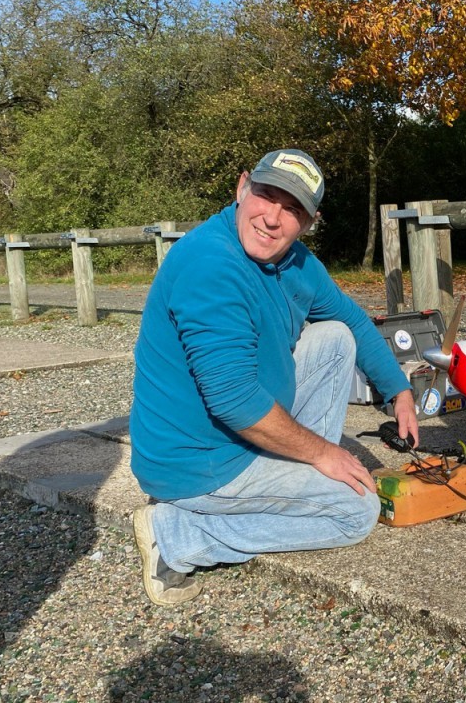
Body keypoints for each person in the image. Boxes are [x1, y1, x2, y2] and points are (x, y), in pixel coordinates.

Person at [129, 148, 418, 606]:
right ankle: (178, 535)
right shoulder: (211, 265)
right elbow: (234, 401)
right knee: (356, 512)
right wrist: (323, 452)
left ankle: (301, 477)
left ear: (309, 222)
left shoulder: (295, 262)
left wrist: (397, 388)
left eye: (293, 209)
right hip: (201, 463)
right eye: (266, 195)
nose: (272, 218)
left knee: (335, 336)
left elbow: (355, 321)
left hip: (237, 434)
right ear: (243, 187)